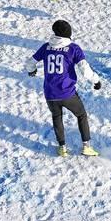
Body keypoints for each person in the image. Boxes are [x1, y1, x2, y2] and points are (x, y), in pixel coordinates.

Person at [25, 20, 101, 157]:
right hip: (68, 93)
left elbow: (30, 62)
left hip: (50, 93)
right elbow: (85, 70)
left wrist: (32, 71)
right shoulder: (73, 48)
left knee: (57, 117)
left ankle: (62, 148)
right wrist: (96, 80)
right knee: (81, 115)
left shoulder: (46, 47)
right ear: (68, 33)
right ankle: (86, 147)